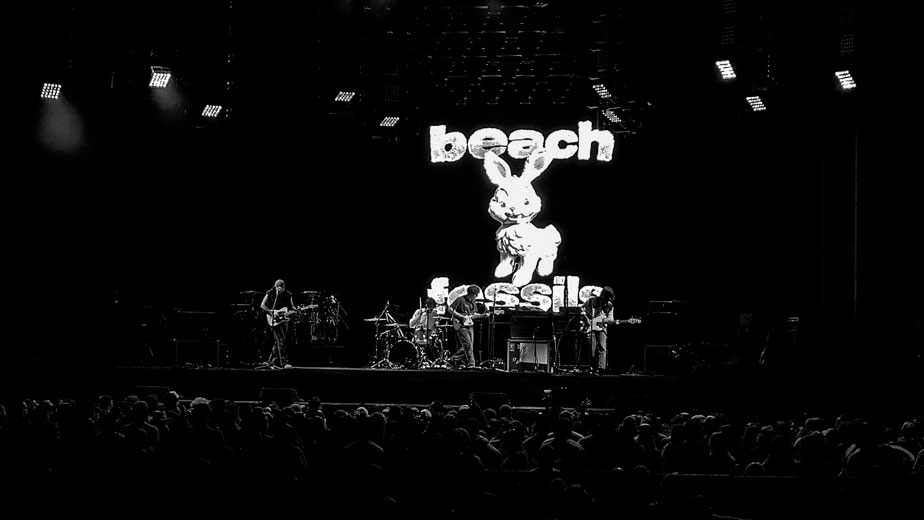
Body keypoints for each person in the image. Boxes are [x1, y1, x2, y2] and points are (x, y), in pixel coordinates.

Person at [260, 279, 296, 369]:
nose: (280, 289)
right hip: (273, 319)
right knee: (279, 340)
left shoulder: (288, 294)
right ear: (276, 287)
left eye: (282, 288)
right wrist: (270, 312)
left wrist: (296, 310)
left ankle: (271, 361)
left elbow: (292, 306)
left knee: (281, 340)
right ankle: (282, 362)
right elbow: (262, 305)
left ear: (284, 287)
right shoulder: (270, 293)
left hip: (284, 320)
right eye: (278, 288)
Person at [448, 285, 485, 368]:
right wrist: (461, 317)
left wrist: (483, 315)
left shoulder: (473, 301)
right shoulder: (460, 299)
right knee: (468, 345)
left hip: (469, 325)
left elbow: (473, 314)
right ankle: (472, 364)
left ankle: (452, 359)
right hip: (461, 325)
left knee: (468, 346)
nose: (476, 296)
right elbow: (450, 309)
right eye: (476, 294)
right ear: (471, 293)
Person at [581, 286, 616, 374]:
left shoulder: (609, 306)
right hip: (590, 327)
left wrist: (606, 321)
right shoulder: (591, 301)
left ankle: (601, 369)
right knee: (592, 350)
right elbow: (582, 309)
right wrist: (586, 319)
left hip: (602, 328)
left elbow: (611, 318)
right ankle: (593, 367)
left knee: (602, 348)